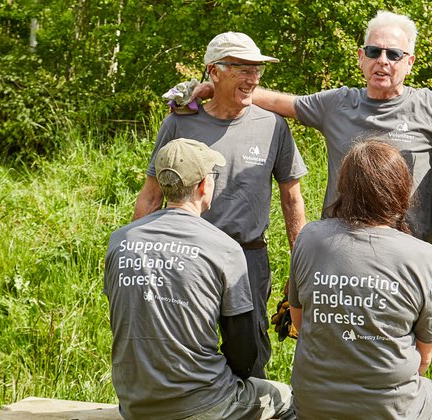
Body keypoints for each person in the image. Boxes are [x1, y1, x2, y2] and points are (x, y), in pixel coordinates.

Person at [190, 11, 432, 242]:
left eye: (393, 54)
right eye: (373, 52)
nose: (382, 61)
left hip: (408, 252)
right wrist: (217, 87)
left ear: (410, 62)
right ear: (361, 58)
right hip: (339, 247)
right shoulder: (336, 104)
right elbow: (283, 103)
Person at [133, 32, 308, 379]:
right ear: (214, 72)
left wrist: (299, 267)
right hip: (185, 258)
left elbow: (292, 198)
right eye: (243, 69)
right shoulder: (180, 123)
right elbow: (152, 193)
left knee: (249, 356)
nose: (253, 78)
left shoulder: (272, 125)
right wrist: (136, 255)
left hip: (248, 259)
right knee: (182, 350)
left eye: (256, 69)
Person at [104, 138, 295, 419]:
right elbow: (243, 349)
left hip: (134, 403)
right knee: (290, 399)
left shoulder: (121, 240)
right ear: (205, 185)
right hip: (202, 403)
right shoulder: (223, 248)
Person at [287, 140, 432, 419]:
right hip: (389, 409)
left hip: (313, 403)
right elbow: (425, 356)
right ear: (401, 190)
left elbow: (300, 323)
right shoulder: (424, 257)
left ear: (344, 188)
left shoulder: (309, 238)